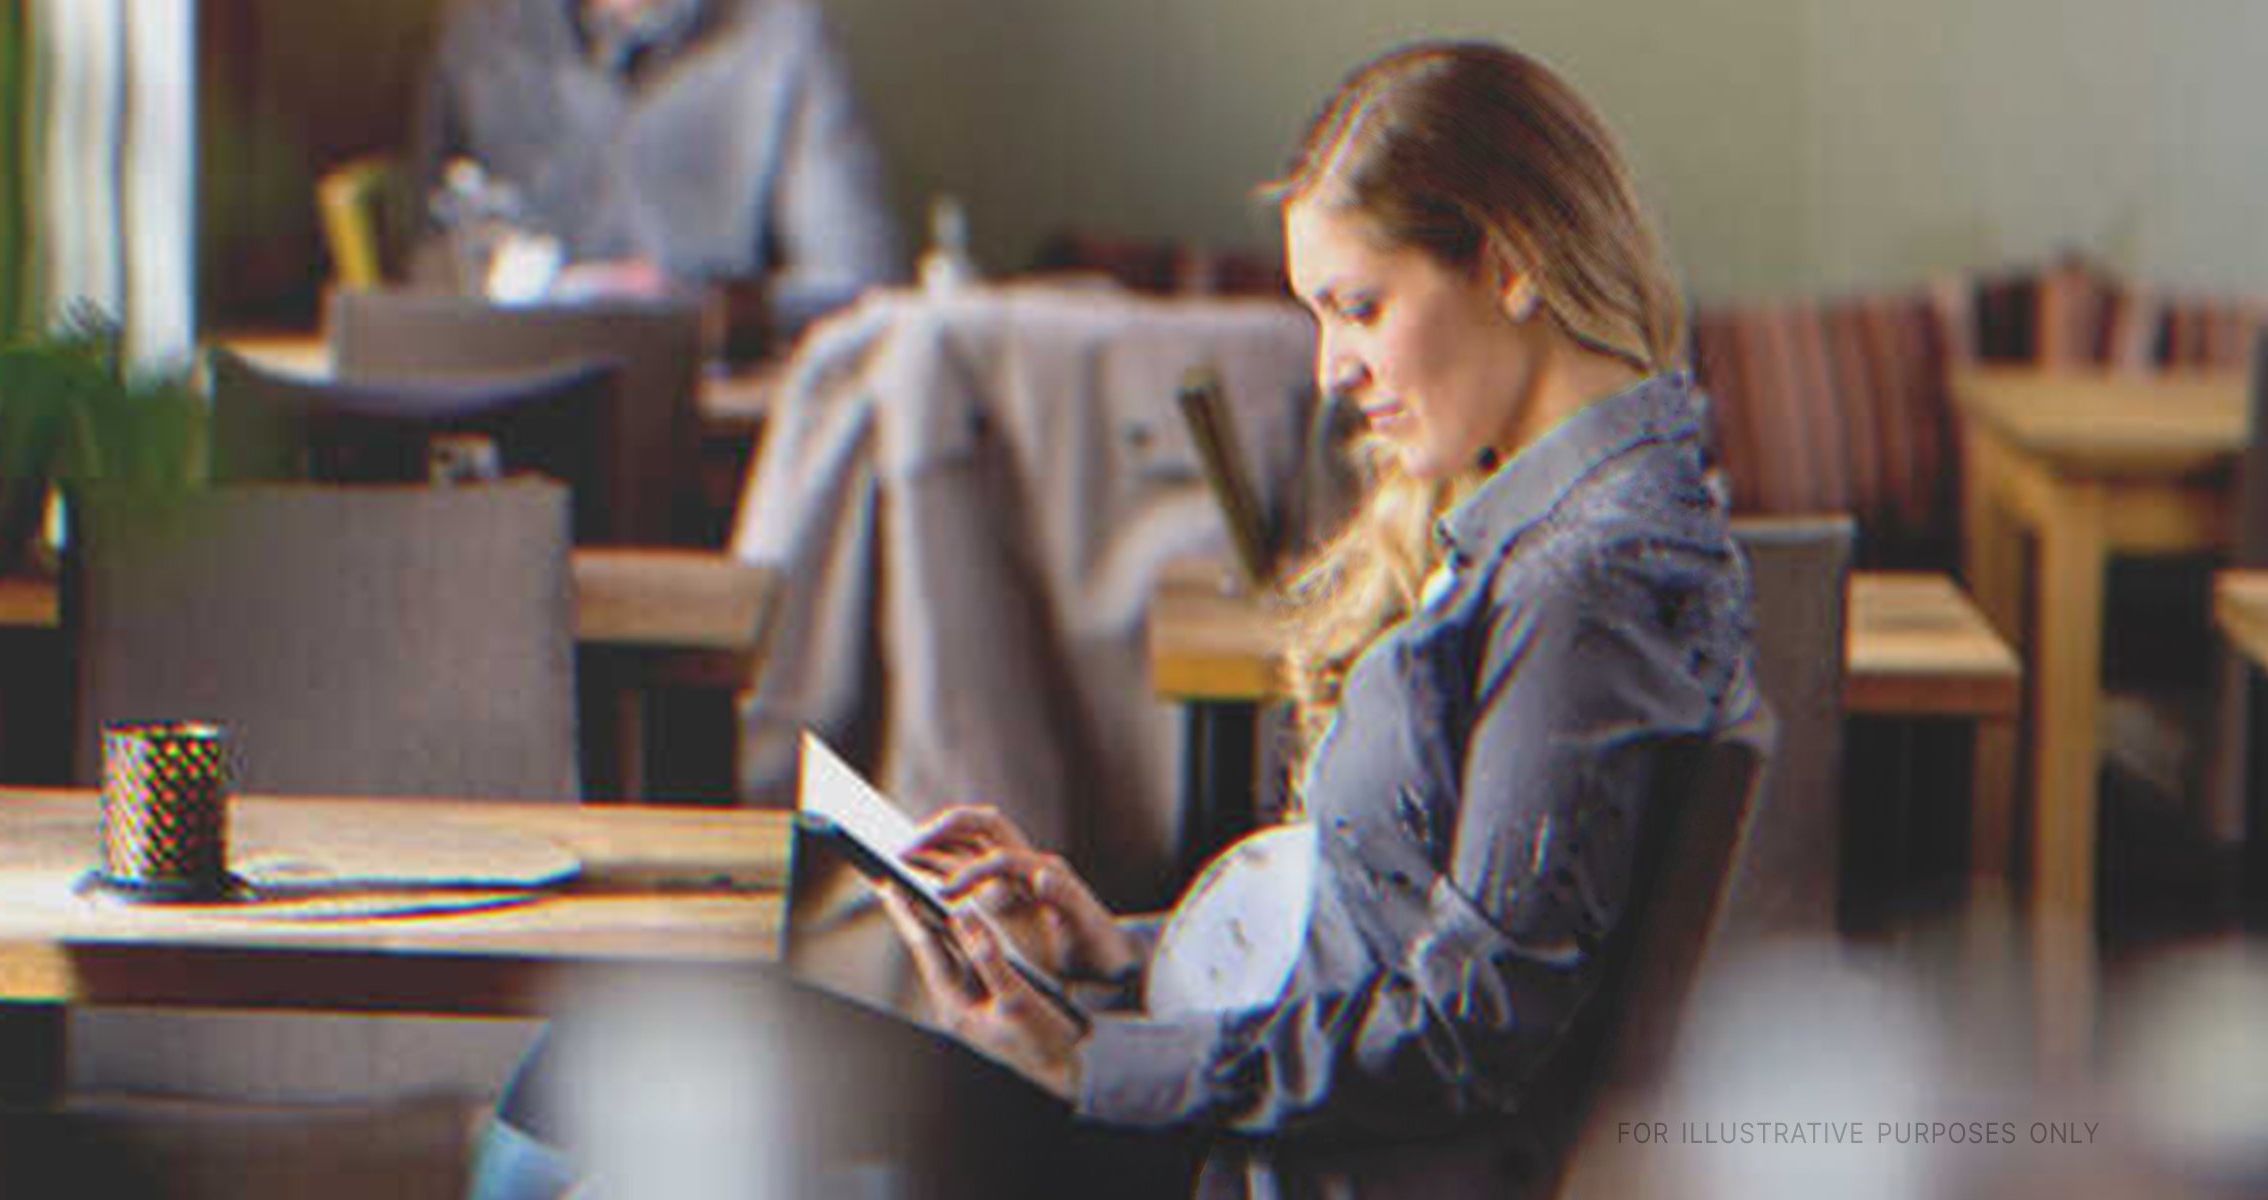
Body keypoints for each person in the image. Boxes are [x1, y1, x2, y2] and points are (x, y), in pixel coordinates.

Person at [466, 39, 1768, 1199]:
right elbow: (1389, 932)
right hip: (1247, 1126)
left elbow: (1468, 1035)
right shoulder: (1566, 529)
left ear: (1510, 265)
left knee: (594, 1068)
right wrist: (1118, 954)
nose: (1332, 371)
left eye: (1358, 307)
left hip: (1267, 1163)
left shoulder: (1587, 578)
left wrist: (1096, 1060)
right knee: (609, 1073)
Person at [408, 0, 905, 330]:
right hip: (515, 425)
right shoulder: (480, 36)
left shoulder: (782, 35)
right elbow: (424, 283)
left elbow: (857, 285)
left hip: (718, 441)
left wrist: (696, 306)